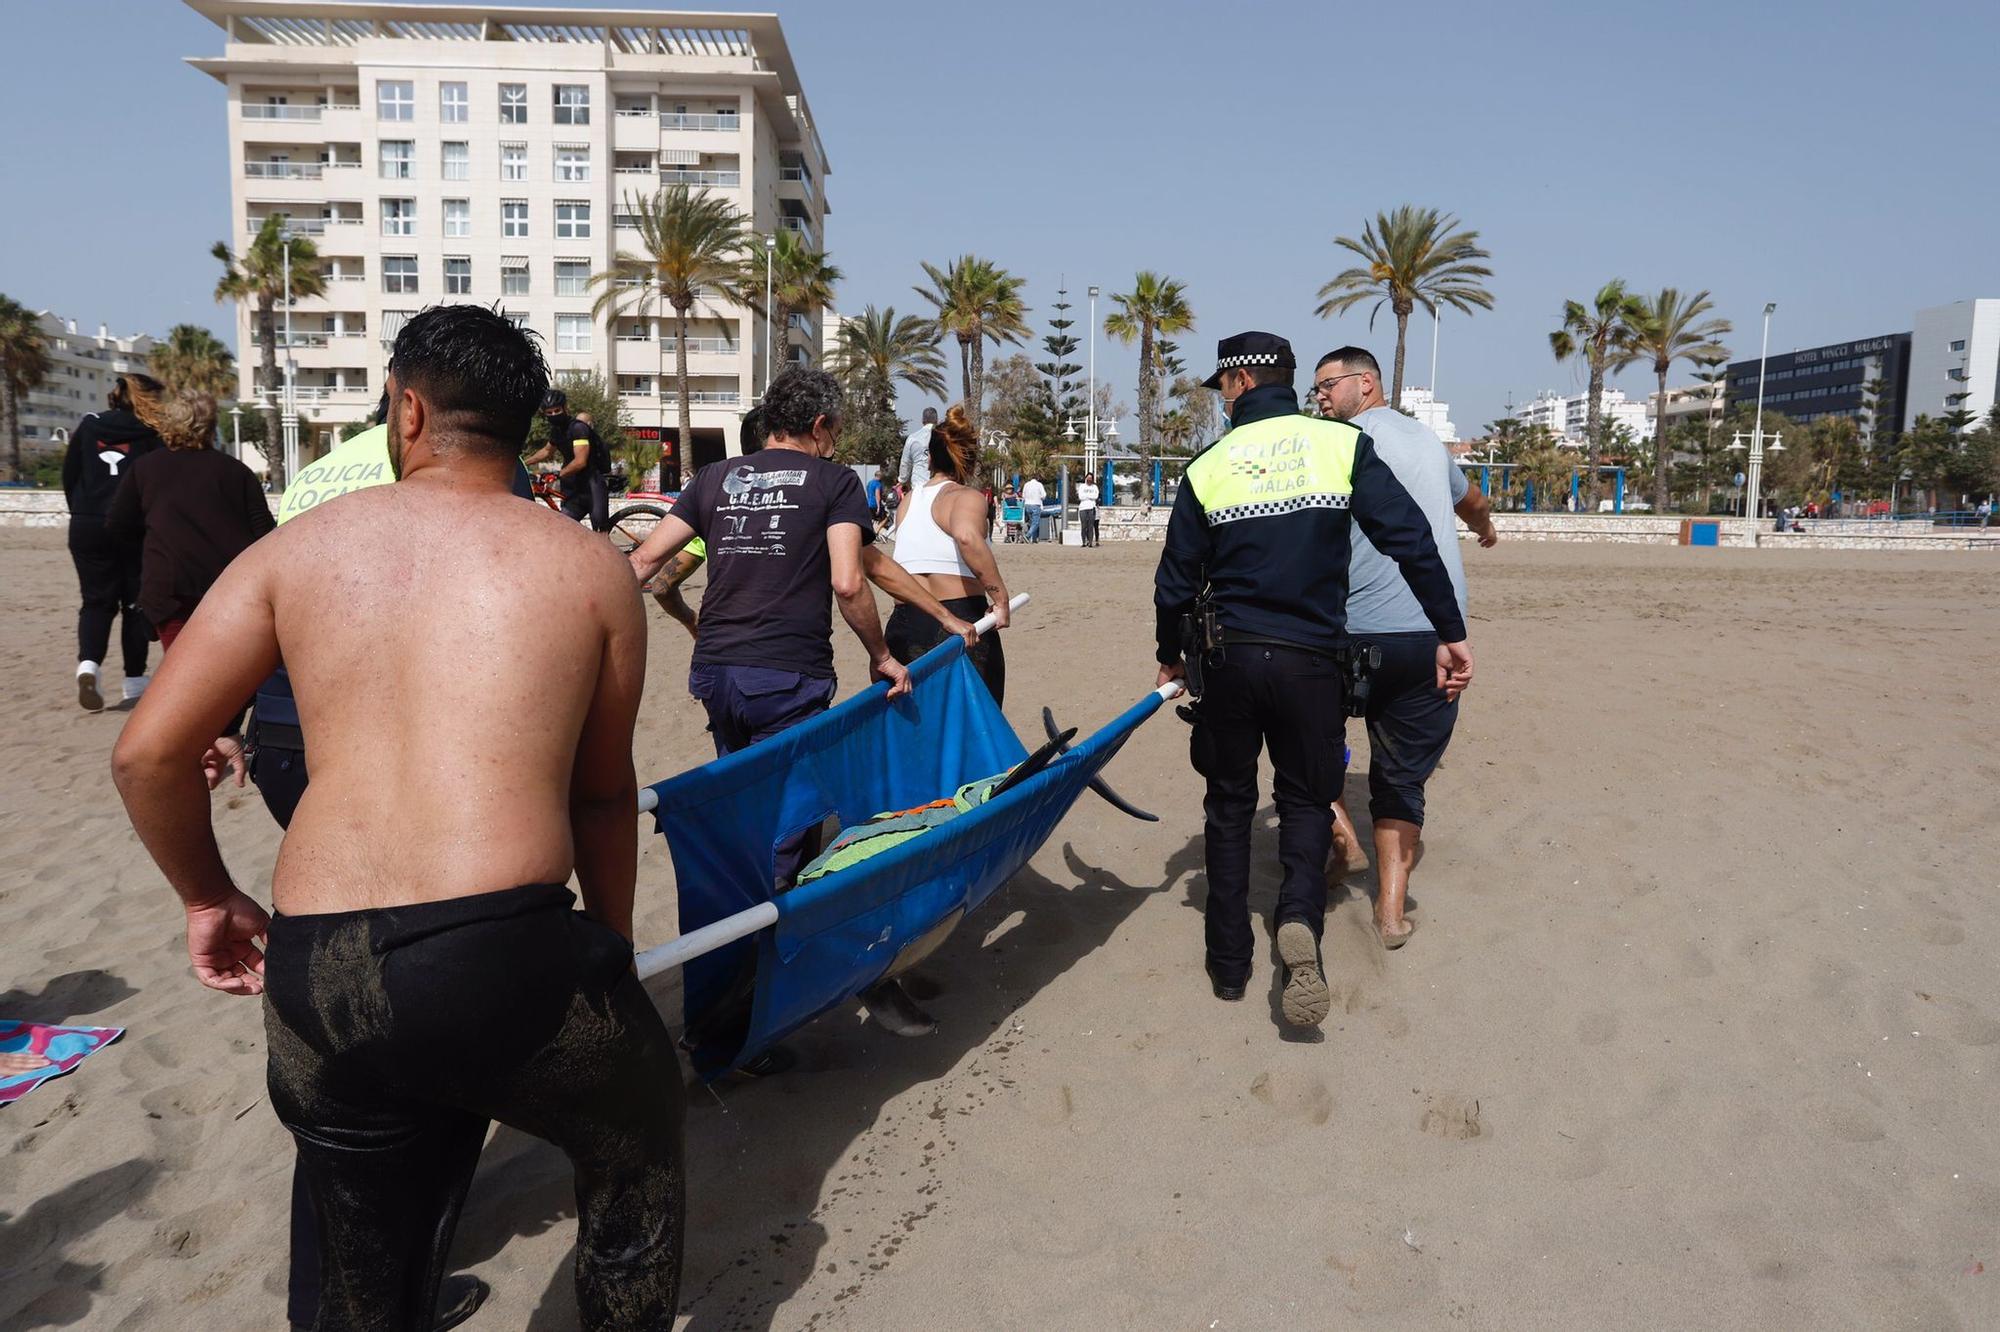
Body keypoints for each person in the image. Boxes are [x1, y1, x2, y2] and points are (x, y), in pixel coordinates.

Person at [111, 303, 684, 1330]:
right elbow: (600, 791)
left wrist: (208, 895)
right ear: (526, 431)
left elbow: (148, 753)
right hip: (500, 949)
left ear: (405, 411)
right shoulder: (586, 565)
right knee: (631, 1142)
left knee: (360, 1264)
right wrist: (601, 944)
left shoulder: (297, 552)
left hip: (320, 974)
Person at [1153, 332, 1472, 1029]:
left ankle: (1229, 961)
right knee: (1303, 800)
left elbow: (1175, 579)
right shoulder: (1340, 446)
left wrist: (1169, 654)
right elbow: (1412, 540)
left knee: (1230, 805)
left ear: (1238, 382)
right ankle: (1299, 922)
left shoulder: (1210, 464)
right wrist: (1449, 632)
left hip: (1231, 659)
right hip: (1313, 661)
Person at [1311, 347, 1496, 950]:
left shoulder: (1334, 447)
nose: (1319, 396)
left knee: (1311, 741)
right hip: (1433, 637)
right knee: (1402, 777)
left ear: (1366, 383)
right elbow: (1472, 502)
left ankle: (1342, 834)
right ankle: (1391, 915)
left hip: (1347, 631)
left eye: (1327, 385)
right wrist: (1485, 530)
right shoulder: (1428, 443)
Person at [108, 383, 273, 652]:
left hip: (169, 586)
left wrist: (153, 545)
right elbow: (265, 532)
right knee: (227, 669)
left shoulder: (145, 468)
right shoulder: (236, 472)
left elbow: (117, 525)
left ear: (169, 423)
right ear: (210, 426)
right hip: (228, 586)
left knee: (183, 666)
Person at [886, 403, 1011, 704]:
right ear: (969, 460)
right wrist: (1000, 598)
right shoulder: (964, 497)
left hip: (905, 623)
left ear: (928, 459)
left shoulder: (908, 502)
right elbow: (967, 537)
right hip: (958, 619)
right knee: (977, 725)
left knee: (918, 730)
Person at [63, 374, 163, 711]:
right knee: (134, 603)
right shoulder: (152, 434)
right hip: (134, 526)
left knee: (95, 602)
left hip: (87, 525)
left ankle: (88, 666)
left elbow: (70, 475)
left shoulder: (89, 426)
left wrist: (81, 512)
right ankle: (134, 682)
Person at [523, 387, 609, 532]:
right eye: (549, 413)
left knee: (600, 534)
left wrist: (557, 474)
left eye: (557, 410)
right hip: (573, 488)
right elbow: (546, 451)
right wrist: (523, 463)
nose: (554, 415)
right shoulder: (557, 431)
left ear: (565, 408)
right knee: (562, 529)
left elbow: (580, 461)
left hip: (592, 486)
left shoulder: (578, 429)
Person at [897, 406, 939, 494]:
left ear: (923, 420)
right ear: (937, 420)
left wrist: (902, 480)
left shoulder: (912, 438)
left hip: (919, 486)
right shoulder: (944, 436)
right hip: (939, 486)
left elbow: (905, 463)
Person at [1076, 474, 1101, 547]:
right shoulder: (1082, 486)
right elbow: (1081, 497)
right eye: (1088, 478)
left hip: (1091, 508)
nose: (1089, 479)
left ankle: (1090, 542)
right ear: (1085, 478)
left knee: (1090, 526)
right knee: (1084, 526)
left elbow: (1095, 496)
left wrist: (1086, 496)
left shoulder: (1095, 487)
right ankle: (1083, 542)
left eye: (1091, 478)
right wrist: (1090, 497)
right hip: (1083, 508)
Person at [1021, 474, 1047, 542]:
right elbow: (1044, 495)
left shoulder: (1026, 484)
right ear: (1037, 478)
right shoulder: (1039, 485)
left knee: (1031, 522)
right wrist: (1040, 497)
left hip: (1027, 505)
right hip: (1036, 504)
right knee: (1036, 523)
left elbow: (1023, 495)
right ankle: (1028, 535)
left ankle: (1033, 539)